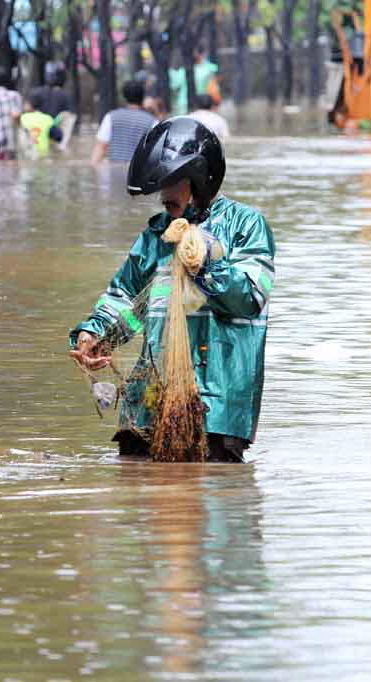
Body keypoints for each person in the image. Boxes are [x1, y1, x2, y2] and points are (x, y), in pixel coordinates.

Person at [69, 117, 275, 463]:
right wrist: (94, 336)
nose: (164, 195)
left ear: (199, 179)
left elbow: (249, 299)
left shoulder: (246, 226)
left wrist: (204, 264)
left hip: (217, 406)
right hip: (150, 400)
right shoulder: (156, 236)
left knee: (210, 503)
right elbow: (127, 300)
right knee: (140, 495)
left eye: (171, 183)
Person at [91, 80, 157, 164]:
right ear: (142, 96)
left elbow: (100, 147)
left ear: (124, 96)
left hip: (114, 171)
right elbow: (155, 152)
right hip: (137, 172)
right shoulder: (151, 121)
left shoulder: (111, 117)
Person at [169, 48, 220, 116]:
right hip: (188, 104)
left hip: (199, 103)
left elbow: (174, 85)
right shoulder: (184, 70)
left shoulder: (208, 68)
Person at [19, 92, 58, 158]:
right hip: (43, 154)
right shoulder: (47, 118)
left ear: (30, 105)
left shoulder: (22, 118)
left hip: (26, 154)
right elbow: (58, 136)